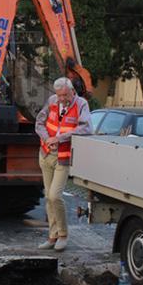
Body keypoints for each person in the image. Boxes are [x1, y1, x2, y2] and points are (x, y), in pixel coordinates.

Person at [35, 77, 93, 252]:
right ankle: (52, 236)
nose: (61, 99)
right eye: (58, 95)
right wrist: (47, 138)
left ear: (72, 91)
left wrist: (59, 139)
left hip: (63, 157)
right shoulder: (52, 101)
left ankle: (63, 235)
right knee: (48, 197)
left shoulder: (80, 104)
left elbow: (86, 129)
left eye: (64, 95)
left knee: (55, 196)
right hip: (46, 154)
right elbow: (39, 124)